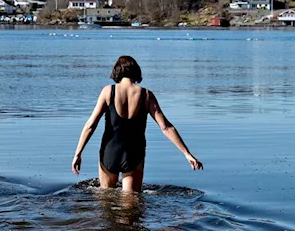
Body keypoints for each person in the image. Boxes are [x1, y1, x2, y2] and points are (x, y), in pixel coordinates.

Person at [71, 55, 202, 192]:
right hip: (134, 154)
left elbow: (91, 125)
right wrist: (187, 154)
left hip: (110, 151)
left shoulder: (108, 91)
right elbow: (166, 127)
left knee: (106, 199)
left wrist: (78, 154)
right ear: (136, 71)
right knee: (131, 205)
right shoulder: (146, 95)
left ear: (117, 71)